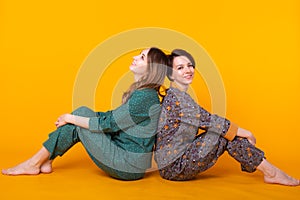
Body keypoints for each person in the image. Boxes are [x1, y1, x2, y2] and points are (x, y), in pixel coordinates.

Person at [2, 47, 168, 181]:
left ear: (151, 68)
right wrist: (77, 118)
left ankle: (35, 162)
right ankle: (46, 161)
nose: (135, 57)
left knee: (79, 118)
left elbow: (109, 123)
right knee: (82, 116)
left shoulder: (145, 96)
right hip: (123, 153)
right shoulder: (143, 93)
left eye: (142, 57)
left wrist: (69, 118)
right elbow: (113, 117)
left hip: (128, 165)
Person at [154, 49, 300, 186]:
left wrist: (237, 132)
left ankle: (268, 170)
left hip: (173, 163)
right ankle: (271, 172)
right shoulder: (178, 100)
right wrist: (246, 133)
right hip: (174, 167)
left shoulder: (177, 95)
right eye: (180, 68)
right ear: (171, 75)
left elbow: (208, 120)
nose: (188, 70)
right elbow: (210, 121)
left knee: (226, 133)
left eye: (190, 65)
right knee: (224, 134)